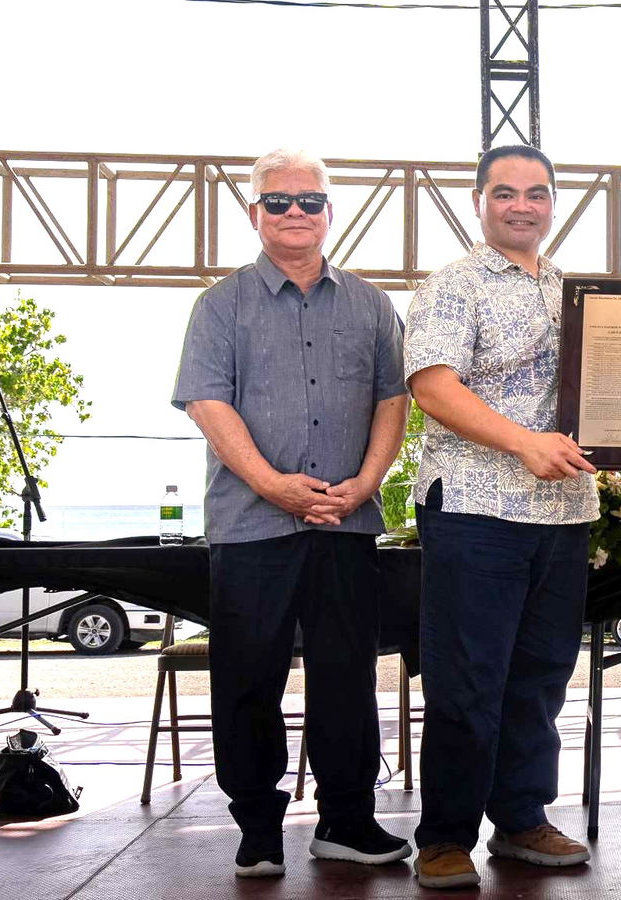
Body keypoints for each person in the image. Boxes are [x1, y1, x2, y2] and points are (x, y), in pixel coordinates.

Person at [172, 148, 412, 878]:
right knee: (248, 678)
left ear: (329, 212)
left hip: (346, 522)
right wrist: (273, 484)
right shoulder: (220, 305)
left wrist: (366, 481)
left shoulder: (371, 304)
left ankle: (347, 820)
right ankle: (258, 827)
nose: (295, 213)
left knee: (347, 677)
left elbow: (393, 401)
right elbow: (208, 404)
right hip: (252, 527)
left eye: (309, 201)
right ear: (255, 214)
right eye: (278, 202)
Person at [403, 144, 598, 890]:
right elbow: (432, 386)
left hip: (564, 512)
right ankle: (446, 836)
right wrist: (523, 443)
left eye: (537, 193)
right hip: (477, 509)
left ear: (554, 202)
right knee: (466, 681)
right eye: (506, 192)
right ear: (479, 201)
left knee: (541, 679)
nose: (523, 205)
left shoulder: (571, 290)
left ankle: (520, 820)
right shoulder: (453, 284)